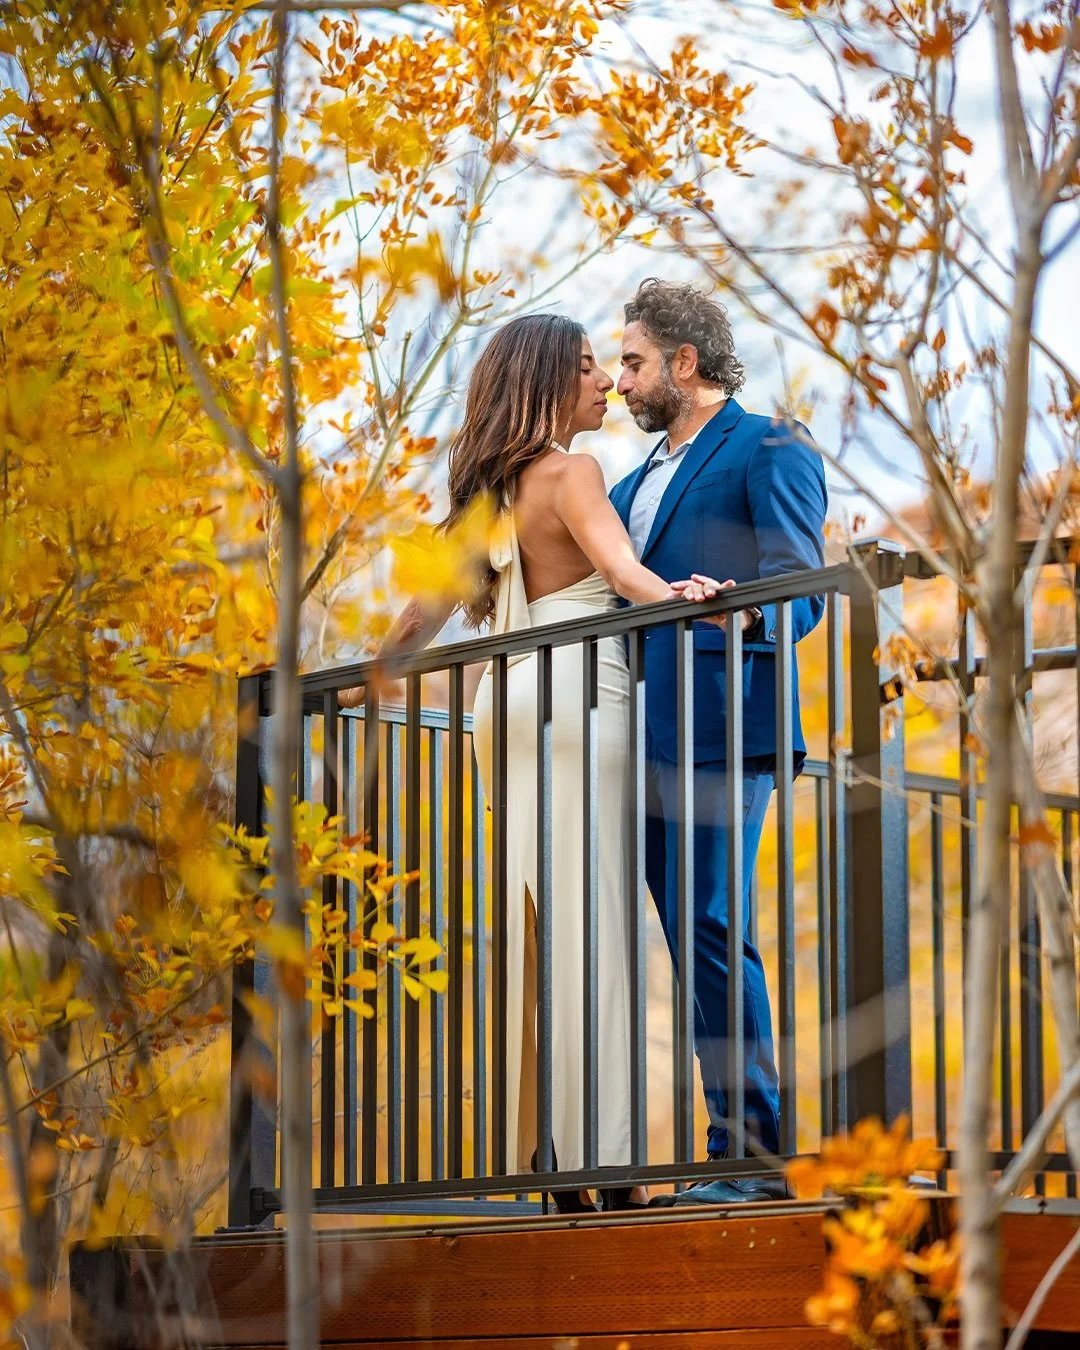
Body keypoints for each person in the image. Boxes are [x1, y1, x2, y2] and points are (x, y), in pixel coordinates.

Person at [350, 313, 724, 1213]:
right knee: (597, 932)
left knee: (542, 932)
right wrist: (686, 599)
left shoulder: (490, 499)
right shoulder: (572, 472)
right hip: (578, 700)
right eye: (587, 368)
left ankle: (553, 1157)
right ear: (547, 382)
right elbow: (621, 572)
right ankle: (613, 1167)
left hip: (505, 707)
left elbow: (416, 625)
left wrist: (351, 687)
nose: (604, 384)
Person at [609, 279, 828, 1206]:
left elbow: (802, 589)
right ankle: (712, 1149)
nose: (621, 381)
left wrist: (734, 616)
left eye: (633, 362)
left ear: (685, 362)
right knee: (678, 937)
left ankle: (750, 1159)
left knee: (711, 925)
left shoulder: (770, 446)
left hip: (724, 725)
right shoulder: (626, 486)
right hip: (632, 736)